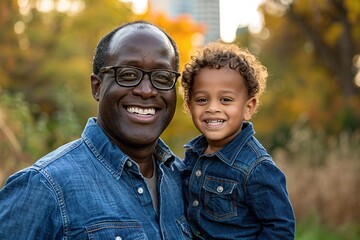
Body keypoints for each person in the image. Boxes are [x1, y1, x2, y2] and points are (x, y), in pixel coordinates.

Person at [0, 20, 193, 239]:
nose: (147, 90)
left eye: (162, 77)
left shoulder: (188, 180)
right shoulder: (45, 187)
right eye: (128, 74)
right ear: (97, 87)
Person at [180, 41, 295, 239]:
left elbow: (279, 228)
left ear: (248, 108)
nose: (212, 108)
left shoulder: (256, 168)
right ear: (189, 106)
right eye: (201, 100)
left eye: (225, 99)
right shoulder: (193, 155)